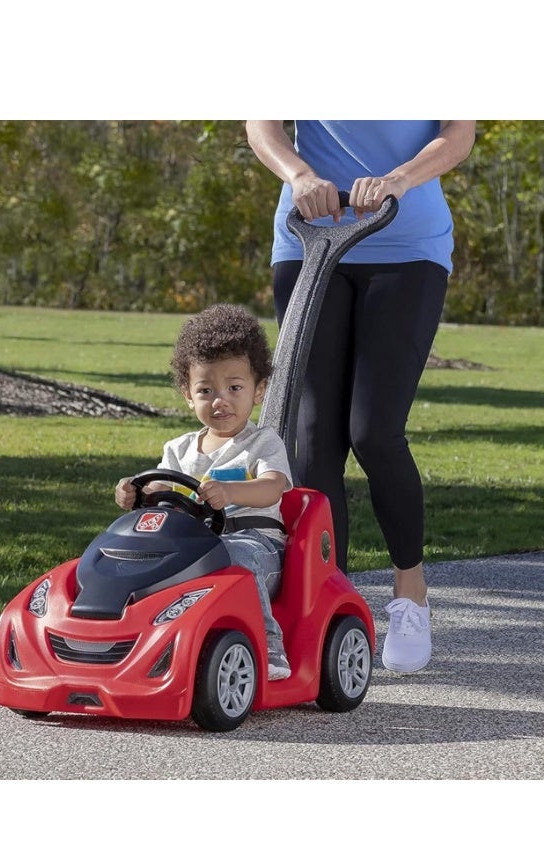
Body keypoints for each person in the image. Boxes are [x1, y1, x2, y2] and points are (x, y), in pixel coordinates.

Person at [245, 120, 476, 674]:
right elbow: (263, 123)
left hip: (406, 244)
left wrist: (399, 178)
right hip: (309, 237)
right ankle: (329, 608)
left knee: (373, 430)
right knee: (313, 438)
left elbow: (458, 133)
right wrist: (300, 174)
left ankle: (410, 594)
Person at [115, 303, 294, 680]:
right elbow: (160, 491)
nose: (220, 400)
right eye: (206, 390)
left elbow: (272, 488)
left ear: (258, 390)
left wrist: (230, 492)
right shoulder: (178, 450)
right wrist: (135, 493)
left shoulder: (262, 442)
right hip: (192, 550)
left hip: (256, 547)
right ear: (187, 393)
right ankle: (129, 643)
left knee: (234, 555)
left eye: (234, 388)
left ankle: (270, 646)